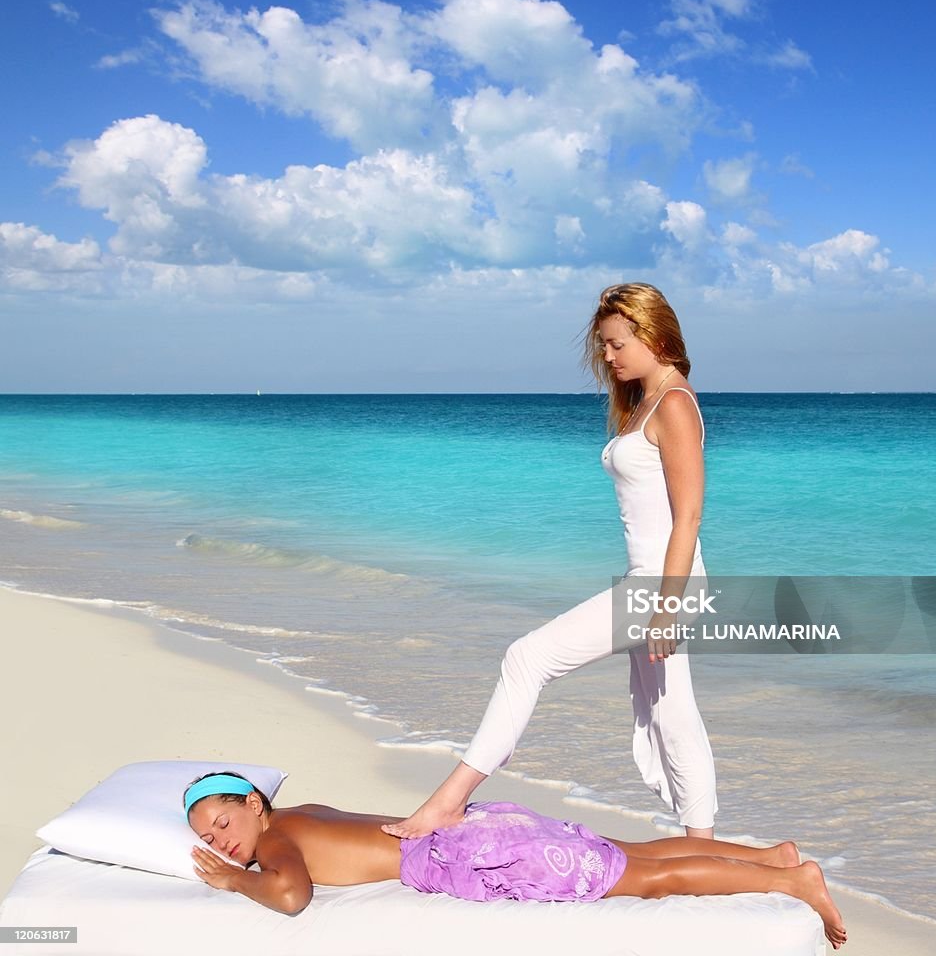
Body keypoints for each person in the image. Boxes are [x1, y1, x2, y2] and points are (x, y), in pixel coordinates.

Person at [382, 283, 717, 841]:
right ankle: (701, 844)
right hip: (652, 581)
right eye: (604, 346)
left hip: (664, 585)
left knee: (527, 658)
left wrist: (666, 606)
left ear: (652, 335)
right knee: (671, 712)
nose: (607, 357)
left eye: (615, 344)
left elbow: (689, 517)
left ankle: (449, 799)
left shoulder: (675, 404)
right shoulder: (650, 401)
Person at [185, 772, 846, 949]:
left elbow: (291, 895)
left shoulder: (274, 844)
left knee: (648, 879)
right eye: (211, 841)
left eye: (223, 823)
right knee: (629, 851)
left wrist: (234, 882)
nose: (223, 842)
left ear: (252, 802)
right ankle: (765, 854)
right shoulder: (307, 812)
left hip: (478, 856)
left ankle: (792, 880)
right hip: (478, 828)